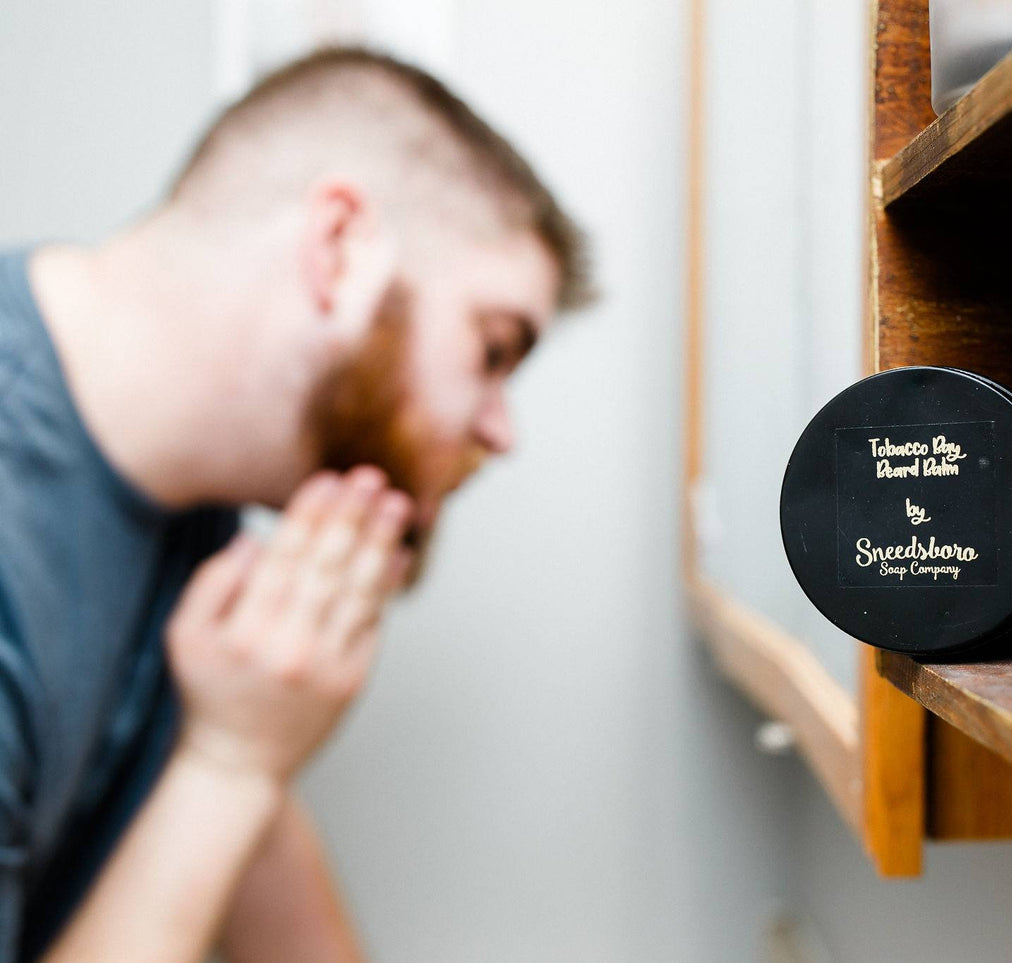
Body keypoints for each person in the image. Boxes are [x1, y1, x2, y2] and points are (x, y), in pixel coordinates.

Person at [0, 47, 588, 961]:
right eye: (492, 348)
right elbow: (225, 775)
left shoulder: (197, 510)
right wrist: (229, 762)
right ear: (340, 247)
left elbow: (252, 861)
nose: (499, 431)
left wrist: (242, 753)